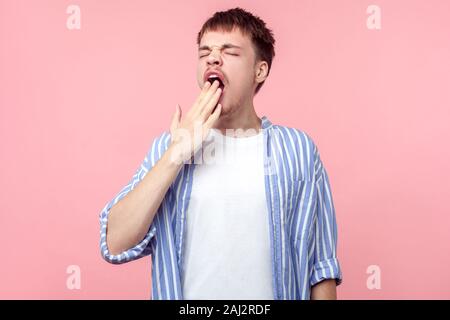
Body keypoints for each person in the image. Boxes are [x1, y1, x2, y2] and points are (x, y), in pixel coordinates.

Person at [99, 7, 342, 300]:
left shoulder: (299, 150)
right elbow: (115, 242)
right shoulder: (169, 147)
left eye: (230, 51)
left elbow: (321, 268)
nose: (213, 58)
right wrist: (177, 152)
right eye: (205, 53)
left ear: (260, 70)